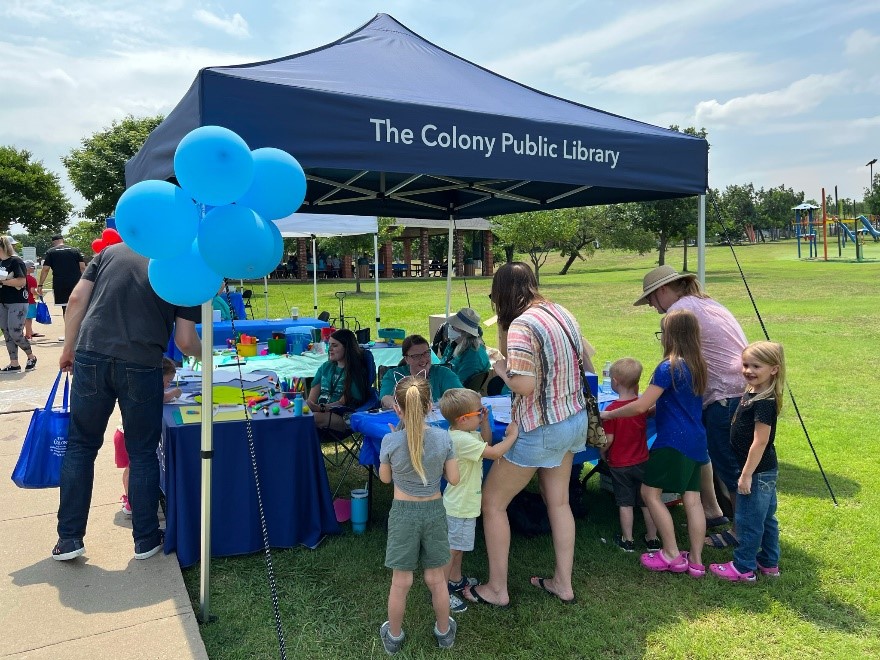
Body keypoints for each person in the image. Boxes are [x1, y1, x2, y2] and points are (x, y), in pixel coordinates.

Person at [52, 242, 201, 562]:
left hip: (91, 354)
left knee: (81, 446)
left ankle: (69, 539)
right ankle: (146, 538)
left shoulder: (112, 252)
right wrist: (209, 357)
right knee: (142, 452)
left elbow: (77, 298)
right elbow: (186, 341)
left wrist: (68, 347)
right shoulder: (187, 266)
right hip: (142, 361)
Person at [464, 262, 588, 608]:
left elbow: (525, 385)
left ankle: (497, 589)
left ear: (501, 292)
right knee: (559, 501)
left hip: (541, 426)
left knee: (492, 503)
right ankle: (563, 582)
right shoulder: (560, 311)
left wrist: (500, 369)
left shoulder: (522, 324)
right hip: (572, 419)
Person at [634, 265, 747, 546]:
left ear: (663, 290)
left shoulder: (679, 312)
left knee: (731, 468)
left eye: (650, 298)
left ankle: (743, 534)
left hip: (723, 393)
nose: (652, 305)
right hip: (740, 388)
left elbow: (675, 363)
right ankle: (713, 511)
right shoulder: (706, 302)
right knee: (714, 457)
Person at [600, 309, 709, 577]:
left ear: (671, 336)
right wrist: (653, 411)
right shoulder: (698, 365)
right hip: (696, 440)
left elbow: (639, 405)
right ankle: (695, 561)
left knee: (650, 494)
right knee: (692, 499)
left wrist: (610, 414)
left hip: (672, 442)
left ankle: (671, 553)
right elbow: (675, 404)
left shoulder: (668, 366)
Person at [378, 376, 460, 653]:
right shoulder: (443, 437)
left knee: (401, 582)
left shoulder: (390, 440)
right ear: (429, 406)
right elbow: (454, 478)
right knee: (437, 579)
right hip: (434, 511)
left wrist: (389, 451)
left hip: (403, 514)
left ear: (397, 409)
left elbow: (385, 479)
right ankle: (444, 632)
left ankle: (394, 637)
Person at [438, 388, 519, 613]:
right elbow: (493, 452)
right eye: (478, 412)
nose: (482, 413)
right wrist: (512, 436)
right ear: (463, 419)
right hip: (459, 507)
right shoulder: (461, 440)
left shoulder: (464, 433)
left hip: (464, 505)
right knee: (452, 550)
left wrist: (483, 421)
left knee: (459, 546)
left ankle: (455, 579)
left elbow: (486, 440)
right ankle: (440, 591)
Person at [710, 341, 785, 582]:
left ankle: (743, 567)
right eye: (745, 365)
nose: (749, 370)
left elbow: (760, 442)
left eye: (756, 366)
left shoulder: (764, 402)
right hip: (762, 471)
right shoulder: (753, 391)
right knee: (765, 518)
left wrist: (746, 475)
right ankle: (769, 563)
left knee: (748, 520)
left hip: (757, 472)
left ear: (773, 369)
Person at [600, 357, 660, 553]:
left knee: (625, 502)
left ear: (614, 382)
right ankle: (652, 539)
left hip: (619, 463)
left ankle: (628, 539)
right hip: (642, 460)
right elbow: (648, 414)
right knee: (646, 501)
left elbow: (608, 439)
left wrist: (602, 452)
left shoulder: (611, 411)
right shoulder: (640, 406)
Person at [114, 358, 181, 517]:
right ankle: (132, 503)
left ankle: (129, 497)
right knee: (134, 470)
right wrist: (175, 393)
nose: (169, 384)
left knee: (130, 469)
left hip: (123, 434)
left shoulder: (142, 384)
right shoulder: (152, 389)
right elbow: (162, 398)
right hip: (128, 436)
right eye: (168, 381)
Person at [306, 328, 370, 432]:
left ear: (347, 348)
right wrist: (308, 406)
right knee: (300, 417)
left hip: (345, 416)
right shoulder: (325, 367)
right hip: (321, 413)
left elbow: (342, 403)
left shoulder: (355, 372)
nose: (330, 349)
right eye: (329, 344)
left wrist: (320, 408)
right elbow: (311, 400)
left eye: (335, 345)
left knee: (312, 419)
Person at [379, 334, 462, 409]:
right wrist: (396, 406)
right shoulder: (393, 375)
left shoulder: (444, 373)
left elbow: (461, 396)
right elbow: (385, 398)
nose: (423, 359)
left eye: (426, 353)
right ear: (407, 359)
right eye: (416, 356)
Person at [0, 236, 38, 372]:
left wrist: (3, 282)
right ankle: (14, 363)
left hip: (17, 301)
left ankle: (31, 356)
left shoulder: (16, 261)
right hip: (2, 301)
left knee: (15, 332)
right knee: (6, 332)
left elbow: (21, 282)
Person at [36, 233, 85, 319]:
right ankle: (79, 328)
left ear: (54, 242)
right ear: (62, 240)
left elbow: (46, 269)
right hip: (76, 282)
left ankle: (69, 329)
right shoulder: (75, 250)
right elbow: (82, 267)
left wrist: (40, 284)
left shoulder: (51, 252)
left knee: (65, 307)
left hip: (60, 283)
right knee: (78, 306)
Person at [440, 308, 491, 387]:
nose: (450, 328)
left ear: (464, 331)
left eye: (453, 326)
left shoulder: (473, 356)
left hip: (454, 394)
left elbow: (459, 386)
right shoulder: (455, 344)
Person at [24, 260, 41, 340]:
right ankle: (28, 335)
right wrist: (39, 294)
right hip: (30, 301)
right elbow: (32, 291)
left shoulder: (20, 278)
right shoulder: (32, 279)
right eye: (33, 267)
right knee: (29, 319)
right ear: (28, 268)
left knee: (23, 318)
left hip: (21, 301)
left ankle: (30, 332)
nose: (34, 269)